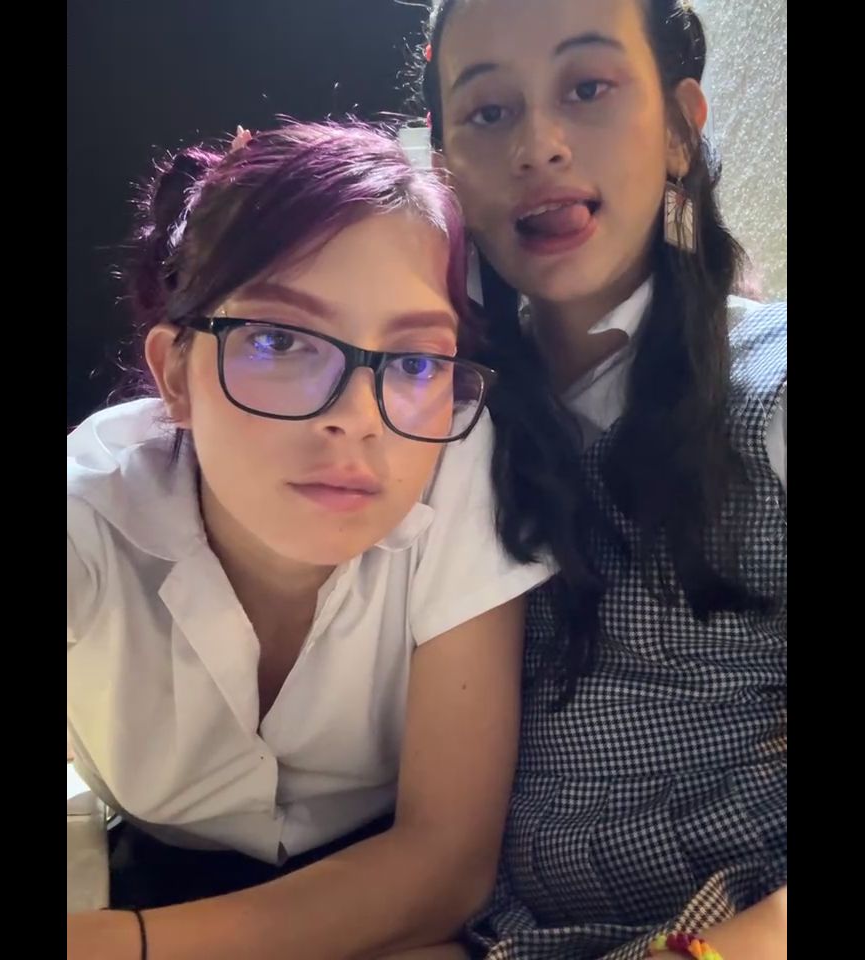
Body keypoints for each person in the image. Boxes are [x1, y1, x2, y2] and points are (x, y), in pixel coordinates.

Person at [66, 120, 553, 960]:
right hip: (156, 866)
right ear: (176, 374)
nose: (357, 419)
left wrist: (124, 949)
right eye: (279, 340)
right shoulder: (91, 510)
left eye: (415, 361)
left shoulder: (457, 458)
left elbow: (444, 863)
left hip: (387, 894)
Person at [416, 1, 787, 956]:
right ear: (445, 165)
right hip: (495, 931)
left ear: (679, 131)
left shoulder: (773, 388)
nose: (537, 145)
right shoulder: (431, 409)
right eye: (488, 111)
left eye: (588, 88)